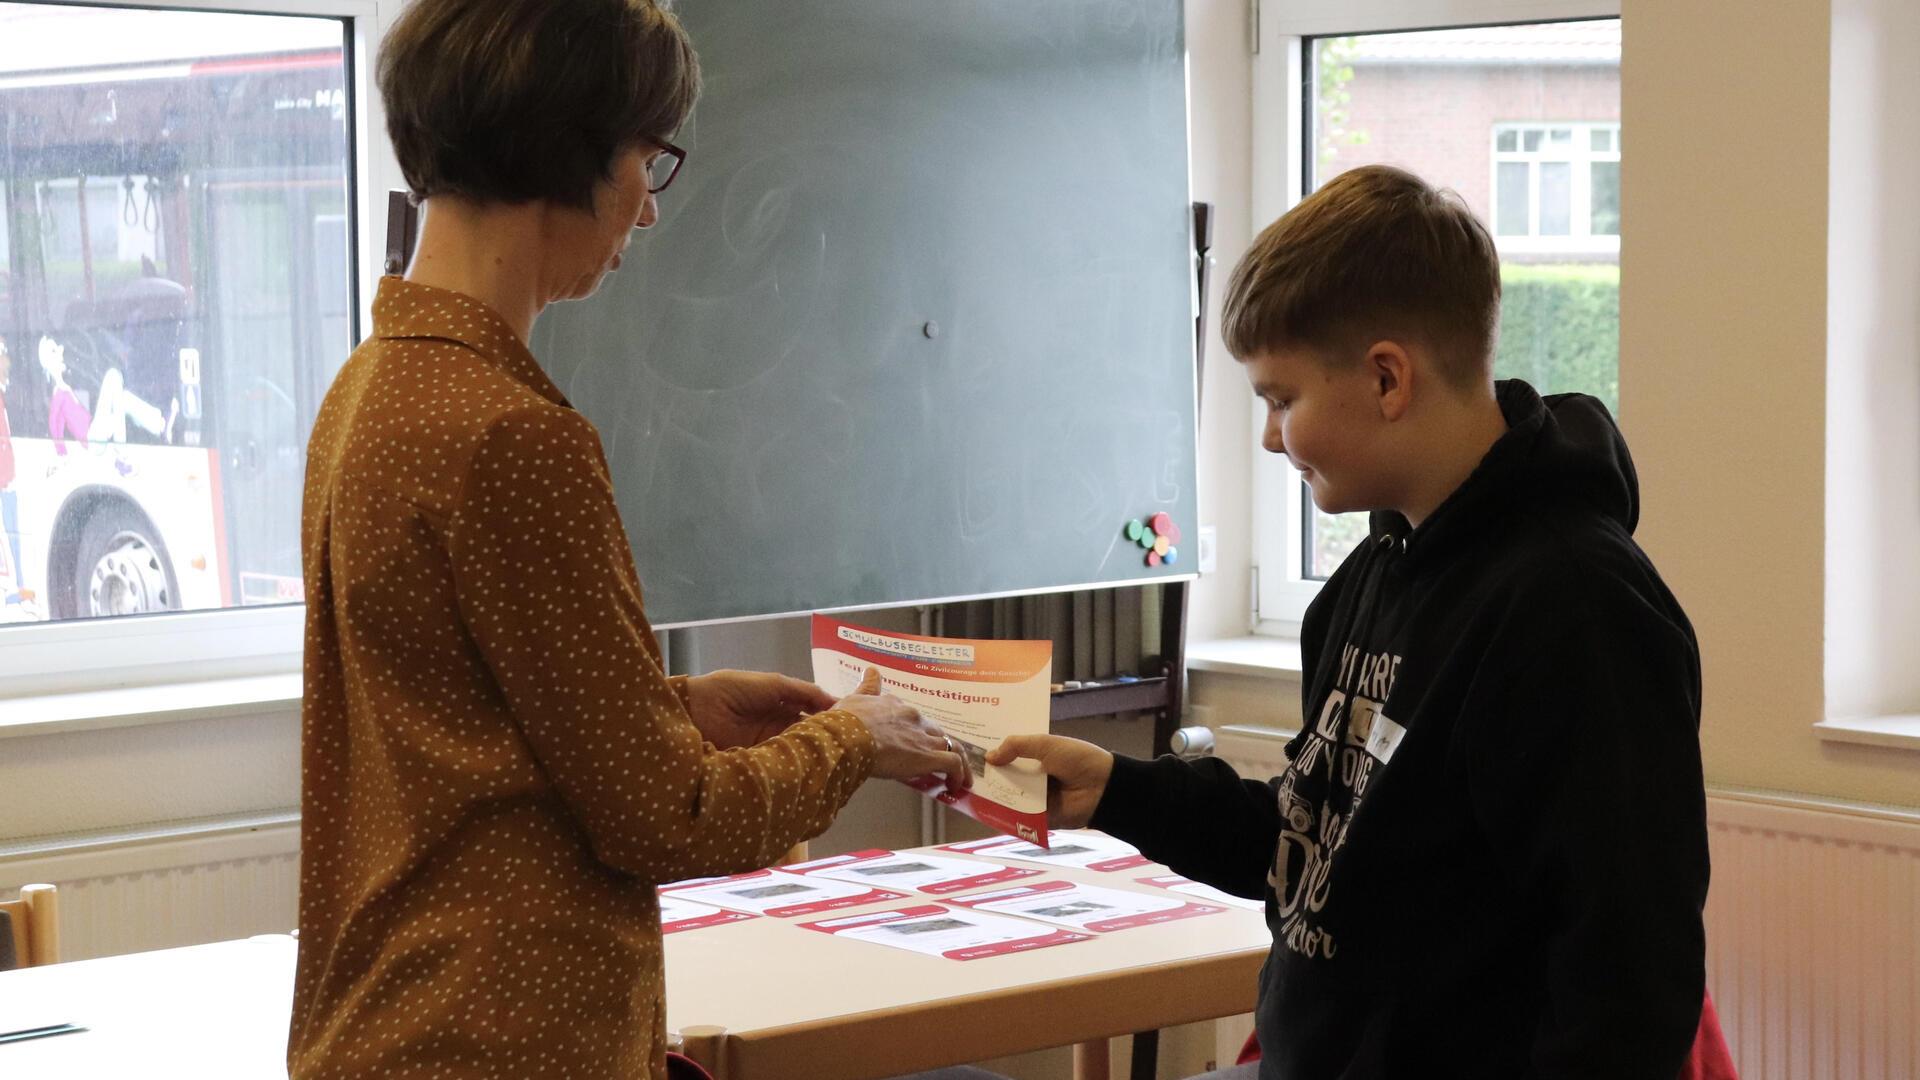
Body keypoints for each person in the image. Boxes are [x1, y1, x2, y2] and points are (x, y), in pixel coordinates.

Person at [289, 2, 969, 1077]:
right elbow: (674, 820)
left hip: (393, 1021)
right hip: (503, 1038)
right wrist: (854, 739)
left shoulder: (373, 389)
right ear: (571, 151)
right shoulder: (513, 436)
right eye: (647, 161)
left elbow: (453, 722)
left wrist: (669, 711)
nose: (647, 214)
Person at [992, 165, 1709, 1079]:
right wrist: (1120, 792)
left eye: (1280, 400)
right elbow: (1314, 848)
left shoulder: (1577, 609)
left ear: (1385, 378)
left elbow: (1626, 981)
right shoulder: (1371, 576)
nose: (1268, 437)